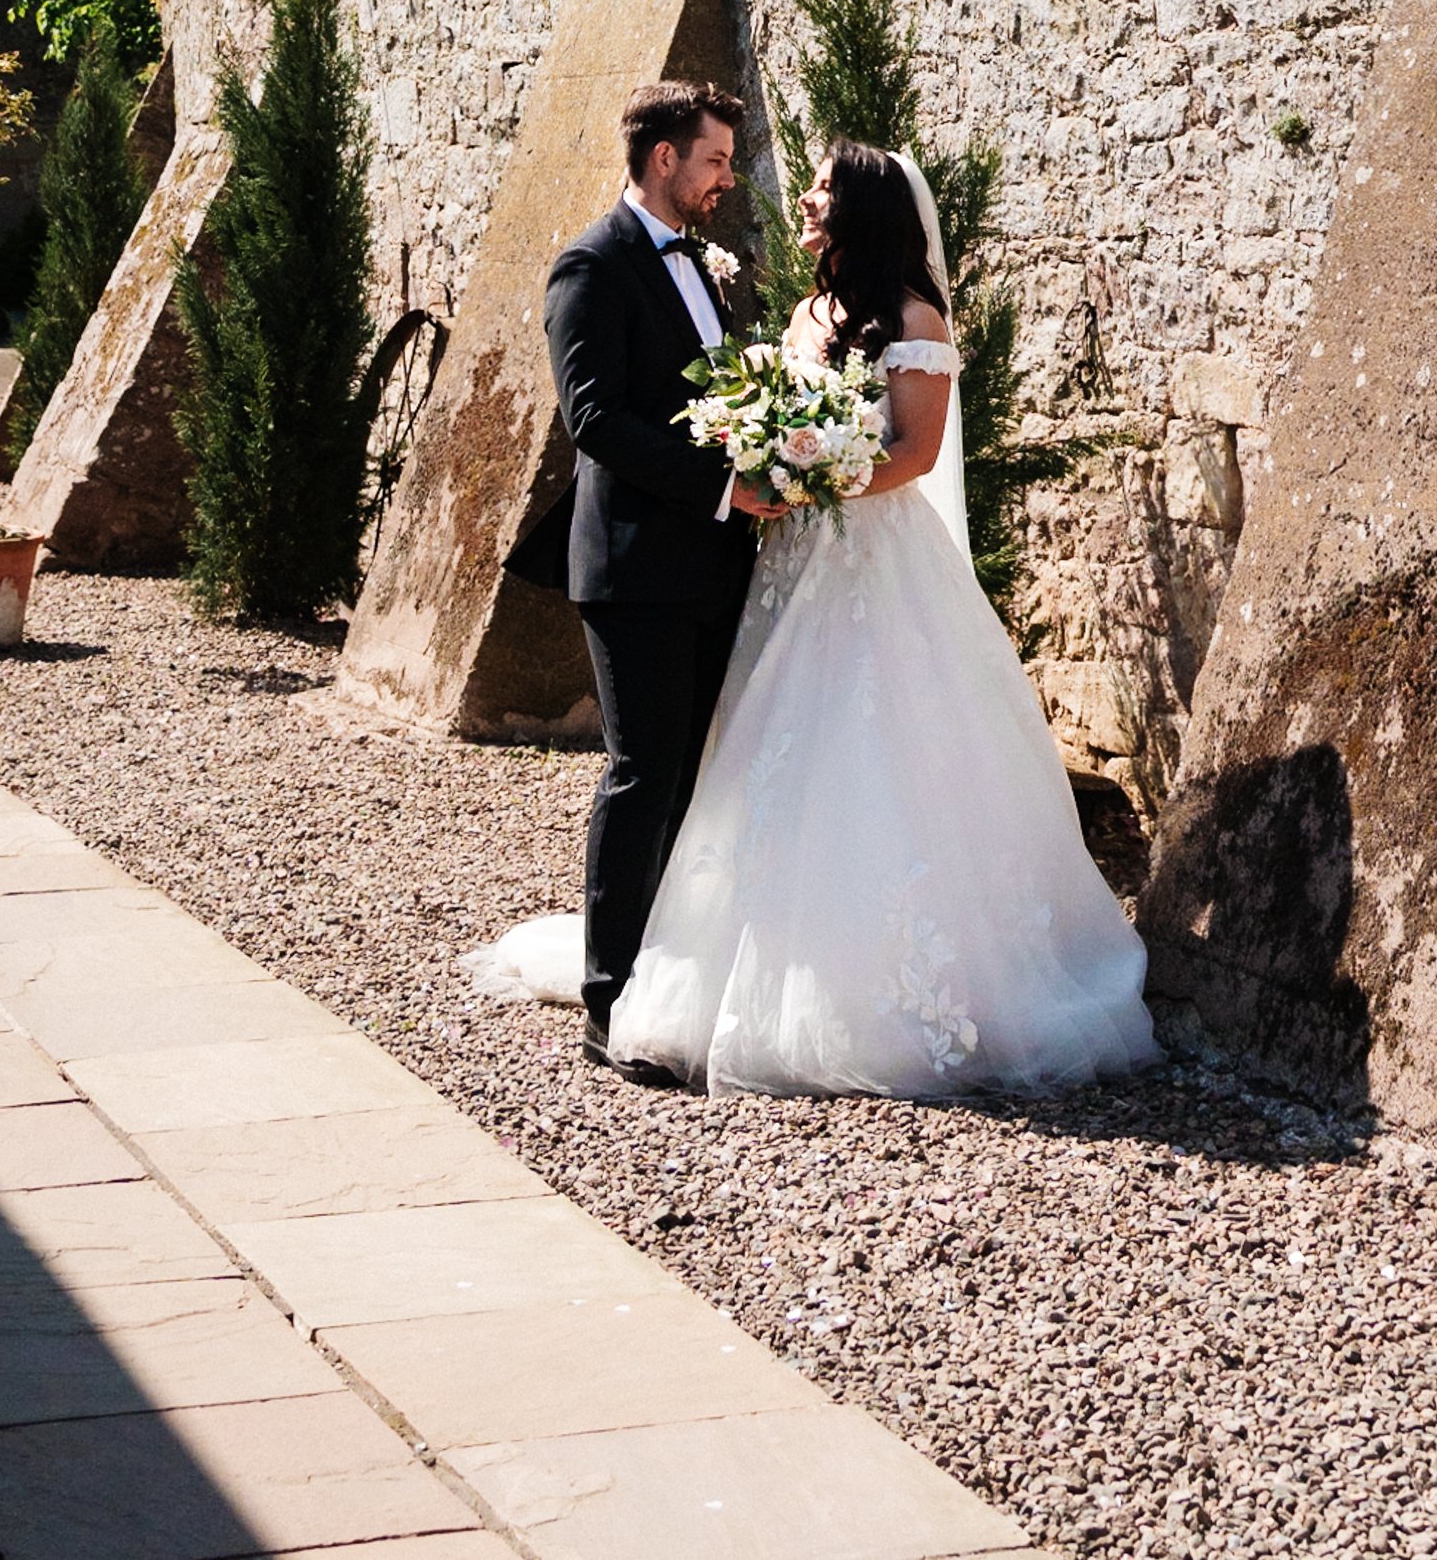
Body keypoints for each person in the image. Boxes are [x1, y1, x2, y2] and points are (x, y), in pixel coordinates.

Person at [483, 137, 1159, 1102]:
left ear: (863, 211)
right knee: (744, 758)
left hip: (874, 561)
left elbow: (918, 453)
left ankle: (885, 989)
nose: (801, 197)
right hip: (784, 568)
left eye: (822, 189)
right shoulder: (804, 312)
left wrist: (815, 480)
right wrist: (774, 472)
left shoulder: (915, 318)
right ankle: (699, 963)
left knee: (874, 751)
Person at [511, 80, 757, 1065]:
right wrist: (724, 484)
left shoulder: (706, 265)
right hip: (632, 568)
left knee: (697, 774)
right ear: (663, 156)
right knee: (641, 771)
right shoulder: (592, 264)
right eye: (714, 159)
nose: (725, 178)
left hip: (714, 561)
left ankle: (673, 971)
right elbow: (595, 420)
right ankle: (608, 999)